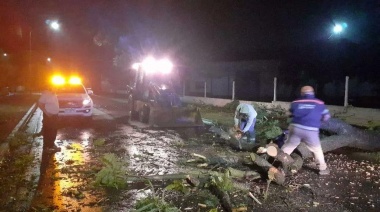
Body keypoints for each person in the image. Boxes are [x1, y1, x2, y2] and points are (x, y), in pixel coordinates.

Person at [281, 86, 331, 175]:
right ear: (313, 93)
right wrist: (319, 123)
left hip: (295, 128)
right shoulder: (319, 103)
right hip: (311, 131)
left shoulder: (296, 102)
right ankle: (322, 169)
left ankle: (277, 164)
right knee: (316, 150)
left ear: (302, 93)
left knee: (288, 147)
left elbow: (289, 114)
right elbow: (326, 117)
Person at [37, 84, 60, 153]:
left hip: (55, 116)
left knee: (53, 131)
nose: (56, 89)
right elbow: (40, 104)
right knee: (48, 132)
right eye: (55, 87)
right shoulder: (46, 94)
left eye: (57, 88)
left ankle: (52, 145)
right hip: (49, 116)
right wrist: (47, 113)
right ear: (51, 87)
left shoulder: (54, 94)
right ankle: (47, 147)